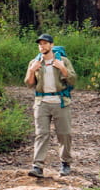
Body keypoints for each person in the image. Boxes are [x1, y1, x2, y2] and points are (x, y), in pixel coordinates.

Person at [24, 33, 77, 178]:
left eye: (45, 43)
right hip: (41, 102)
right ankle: (37, 166)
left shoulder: (63, 61)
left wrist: (62, 68)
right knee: (41, 134)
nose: (43, 46)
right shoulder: (35, 62)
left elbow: (72, 80)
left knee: (64, 134)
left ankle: (65, 163)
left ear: (52, 45)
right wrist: (32, 70)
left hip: (60, 101)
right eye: (40, 44)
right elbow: (29, 84)